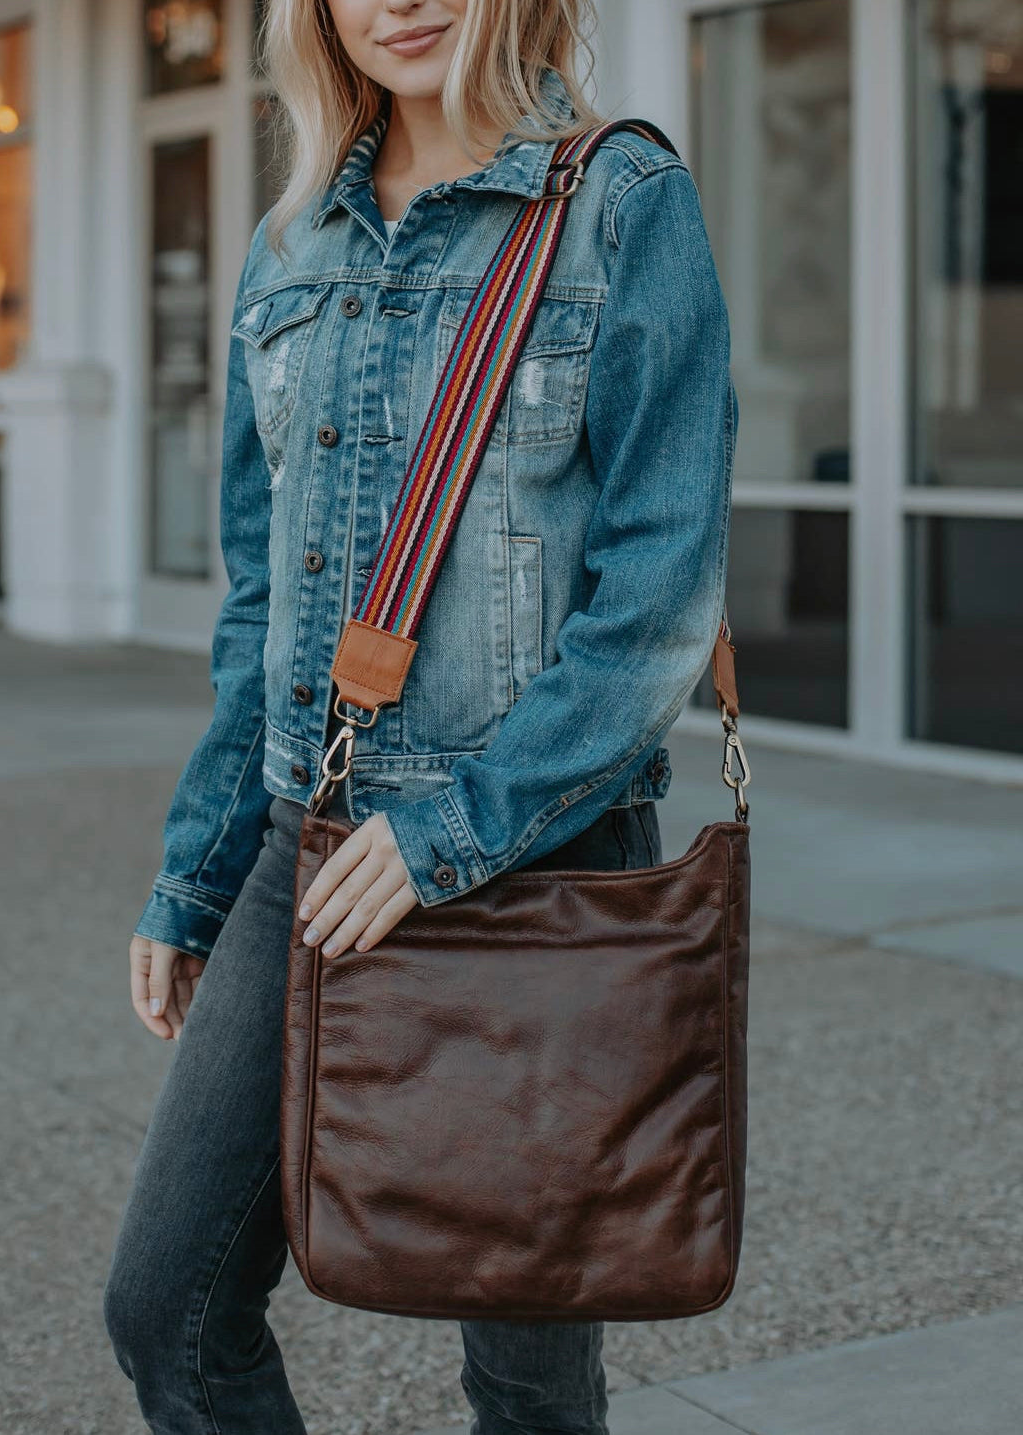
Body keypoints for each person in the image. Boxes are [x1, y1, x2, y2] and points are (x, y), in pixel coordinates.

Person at [103, 1, 736, 1431]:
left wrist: (454, 827)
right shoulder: (289, 246)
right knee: (167, 1311)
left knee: (524, 1371)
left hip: (545, 853)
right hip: (307, 841)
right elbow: (262, 613)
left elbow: (659, 605)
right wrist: (195, 876)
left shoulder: (625, 206)